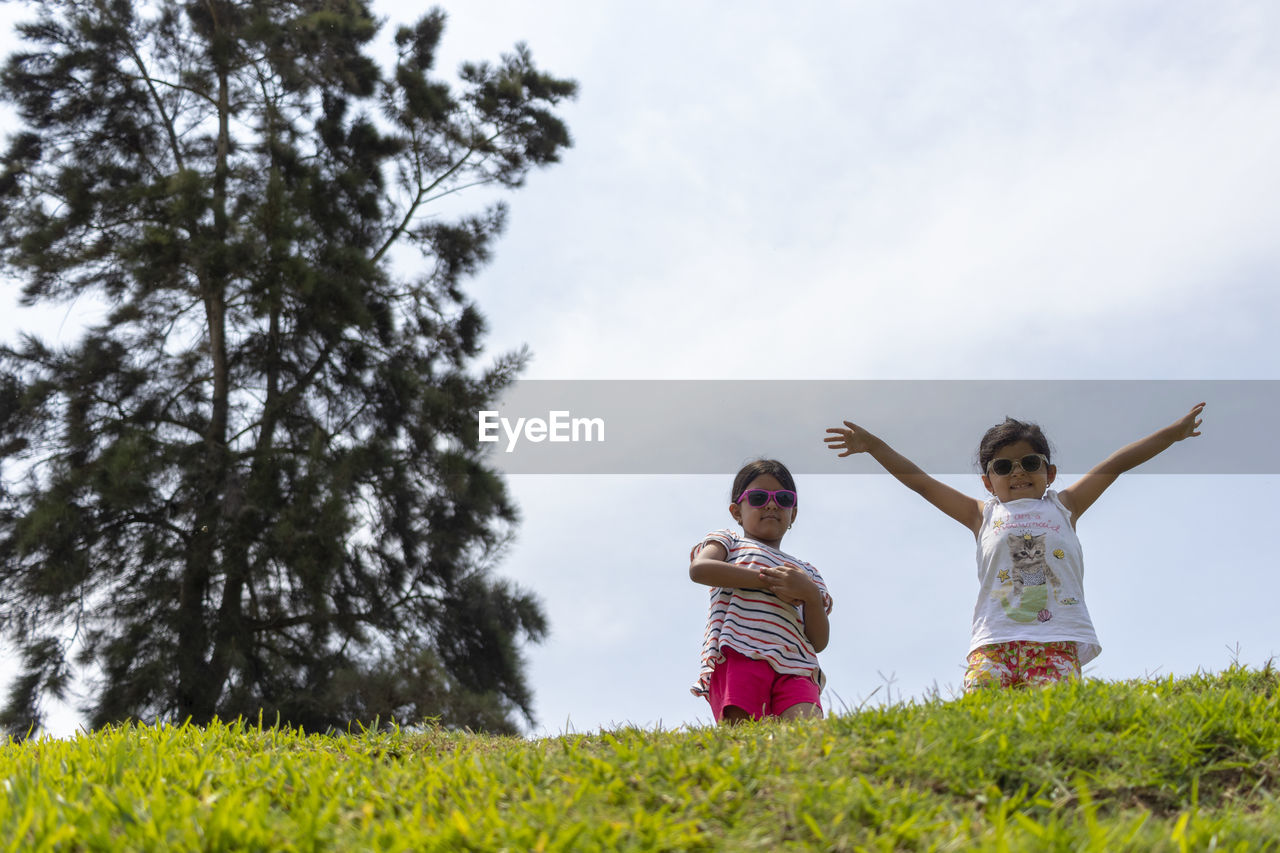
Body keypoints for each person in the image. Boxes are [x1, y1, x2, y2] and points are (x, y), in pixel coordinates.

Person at [823, 403, 1205, 691]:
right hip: (994, 641)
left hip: (1055, 639)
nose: (1018, 471)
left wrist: (1172, 433)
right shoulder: (981, 515)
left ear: (1049, 472)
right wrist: (874, 446)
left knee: (1052, 720)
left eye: (1029, 462)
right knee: (983, 718)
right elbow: (921, 483)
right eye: (1003, 467)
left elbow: (1117, 463)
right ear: (989, 482)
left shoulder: (1064, 506)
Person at [690, 459, 833, 723]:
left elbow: (819, 640)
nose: (771, 504)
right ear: (736, 511)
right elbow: (700, 569)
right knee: (744, 736)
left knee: (806, 733)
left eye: (783, 498)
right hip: (738, 654)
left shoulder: (807, 572)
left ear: (794, 513)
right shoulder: (729, 541)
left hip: (797, 667)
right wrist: (771, 582)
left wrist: (811, 595)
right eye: (758, 497)